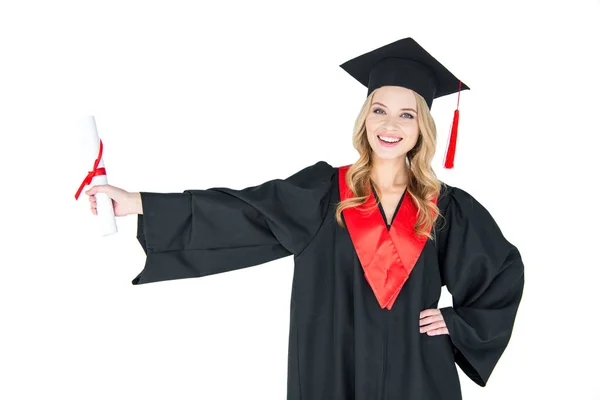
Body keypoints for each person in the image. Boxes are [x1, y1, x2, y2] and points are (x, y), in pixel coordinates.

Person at [84, 37, 525, 400]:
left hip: (417, 374)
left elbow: (502, 271)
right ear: (365, 116)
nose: (390, 124)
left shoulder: (445, 207)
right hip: (332, 368)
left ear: (422, 126)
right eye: (379, 109)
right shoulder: (321, 193)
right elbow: (244, 212)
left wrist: (457, 321)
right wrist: (139, 201)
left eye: (406, 114)